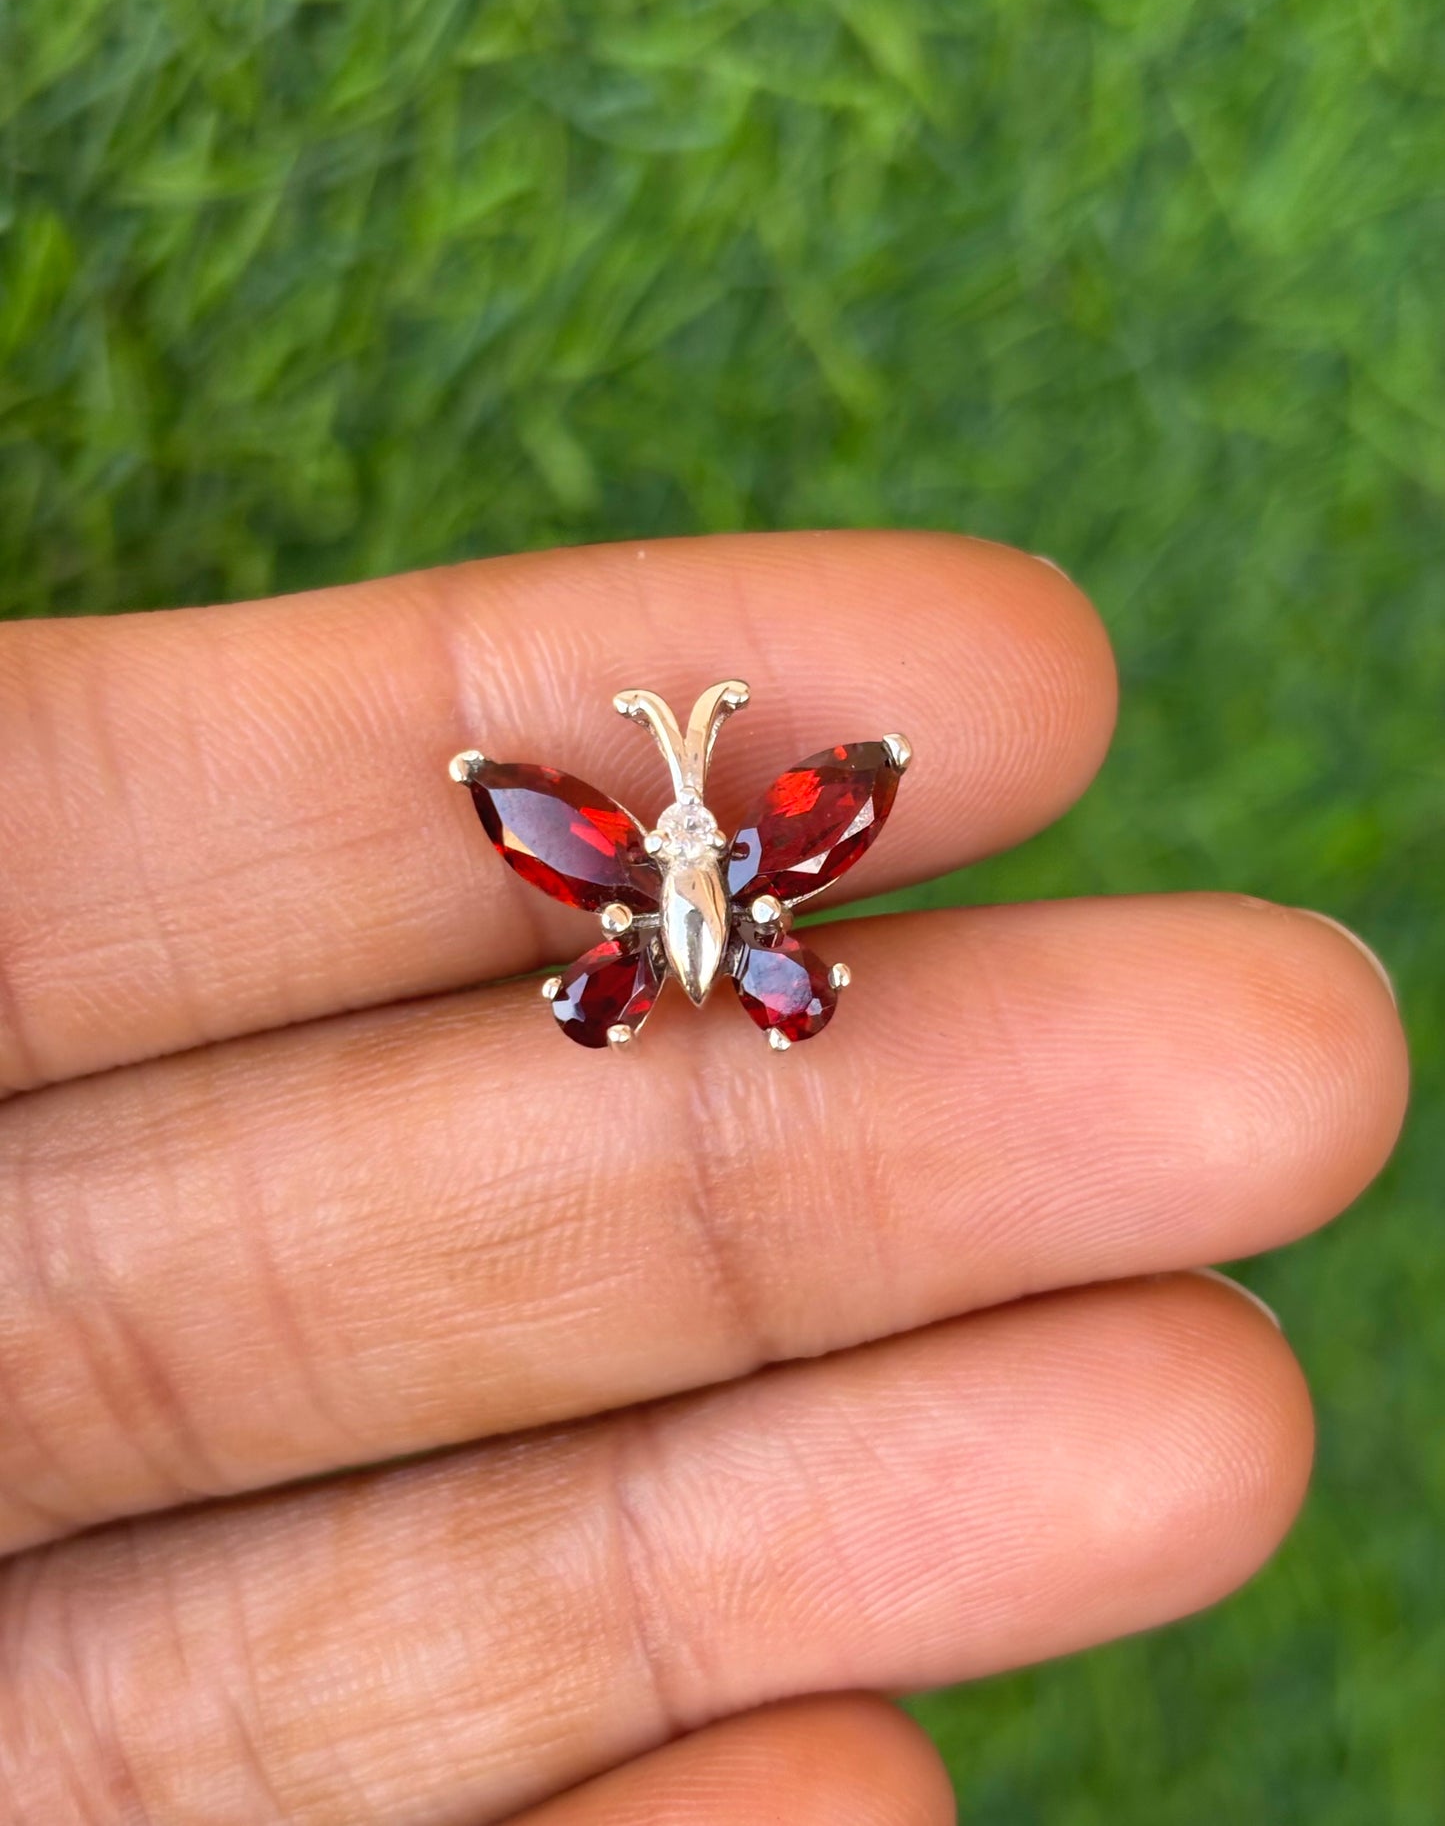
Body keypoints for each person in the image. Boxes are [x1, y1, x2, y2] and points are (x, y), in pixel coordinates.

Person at [0, 530, 1407, 1823]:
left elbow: (847, 776)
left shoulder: (726, 849)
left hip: (694, 968)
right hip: (700, 968)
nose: (684, 840)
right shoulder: (646, 854)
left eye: (692, 836)